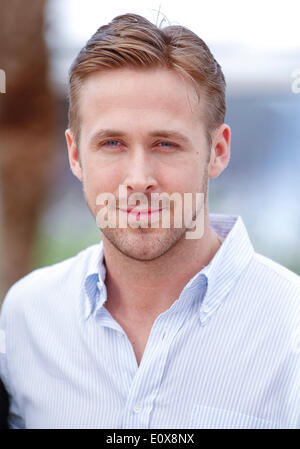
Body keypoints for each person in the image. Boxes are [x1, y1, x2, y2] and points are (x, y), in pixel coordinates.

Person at [0, 13, 299, 429]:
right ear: (74, 155)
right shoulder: (26, 317)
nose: (138, 179)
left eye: (165, 143)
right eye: (112, 143)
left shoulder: (292, 330)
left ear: (217, 151)